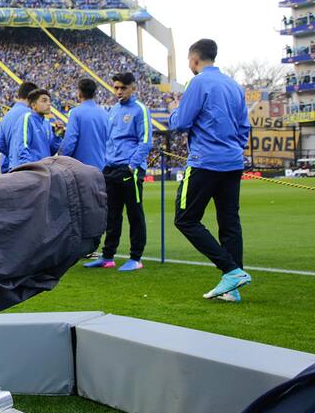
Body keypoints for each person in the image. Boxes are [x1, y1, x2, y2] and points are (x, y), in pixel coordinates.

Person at [168, 39, 252, 301]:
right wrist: (231, 148)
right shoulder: (234, 86)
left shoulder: (198, 82)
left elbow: (181, 122)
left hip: (205, 162)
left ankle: (230, 270)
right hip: (232, 163)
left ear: (194, 60)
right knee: (229, 222)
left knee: (185, 219)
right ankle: (233, 289)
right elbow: (244, 129)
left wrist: (173, 111)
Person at [85, 72, 152, 272]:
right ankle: (107, 256)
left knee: (134, 214)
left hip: (129, 169)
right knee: (111, 214)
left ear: (133, 88)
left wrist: (132, 166)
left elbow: (146, 141)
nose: (119, 91)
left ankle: (136, 257)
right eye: (116, 87)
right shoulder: (113, 109)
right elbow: (111, 139)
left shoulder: (140, 110)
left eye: (123, 87)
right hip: (111, 167)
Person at [58, 78, 107, 170]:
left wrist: (60, 160)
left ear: (79, 93)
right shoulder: (105, 114)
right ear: (94, 93)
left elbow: (70, 141)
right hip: (101, 168)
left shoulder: (75, 112)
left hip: (80, 169)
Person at [8, 89, 61, 168]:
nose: (49, 104)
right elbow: (22, 146)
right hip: (29, 170)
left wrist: (57, 135)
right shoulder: (27, 118)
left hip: (42, 170)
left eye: (49, 101)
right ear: (34, 105)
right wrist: (29, 168)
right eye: (44, 101)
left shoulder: (47, 123)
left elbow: (50, 152)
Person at [0, 81, 37, 173]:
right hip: (30, 169)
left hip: (10, 167)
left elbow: (1, 144)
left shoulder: (7, 115)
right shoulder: (31, 115)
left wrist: (12, 155)